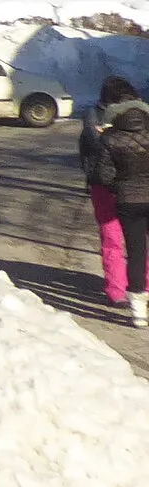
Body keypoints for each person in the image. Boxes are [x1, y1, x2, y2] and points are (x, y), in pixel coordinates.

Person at [94, 87, 149, 327]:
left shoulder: (109, 138)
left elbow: (103, 175)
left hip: (129, 201)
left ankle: (138, 309)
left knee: (136, 251)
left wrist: (120, 188)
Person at [84, 77, 139, 307]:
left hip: (112, 185)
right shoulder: (97, 116)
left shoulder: (95, 116)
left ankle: (123, 289)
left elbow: (91, 147)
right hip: (121, 185)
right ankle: (123, 289)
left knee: (117, 239)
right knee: (124, 238)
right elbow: (95, 146)